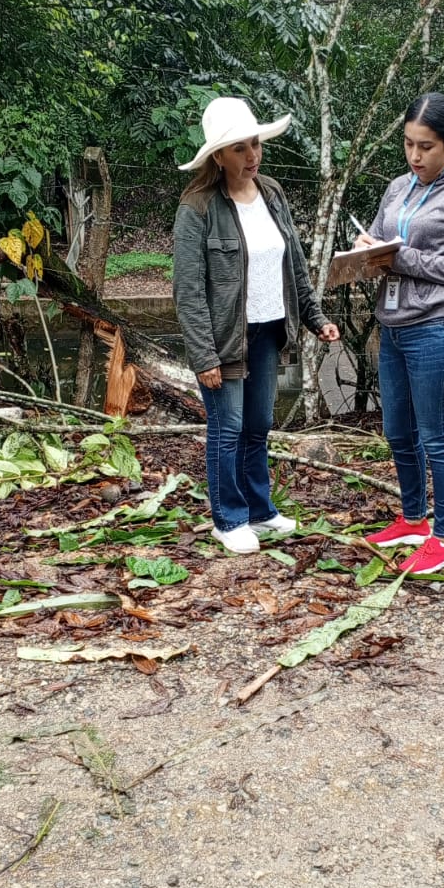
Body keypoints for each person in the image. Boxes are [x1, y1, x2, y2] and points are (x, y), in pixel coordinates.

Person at [173, 97, 340, 554]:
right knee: (226, 427)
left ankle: (259, 510)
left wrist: (315, 317)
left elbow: (294, 263)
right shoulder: (198, 207)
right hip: (224, 338)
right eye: (240, 148)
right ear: (218, 157)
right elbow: (188, 289)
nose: (252, 155)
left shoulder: (272, 193)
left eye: (256, 144)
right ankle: (228, 519)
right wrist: (203, 355)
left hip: (269, 330)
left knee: (258, 424)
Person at [355, 92, 444, 575]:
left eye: (426, 147)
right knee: (398, 432)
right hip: (394, 328)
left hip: (438, 330)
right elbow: (380, 241)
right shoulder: (399, 186)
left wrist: (407, 260)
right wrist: (365, 252)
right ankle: (414, 518)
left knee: (437, 436)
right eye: (408, 144)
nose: (415, 156)